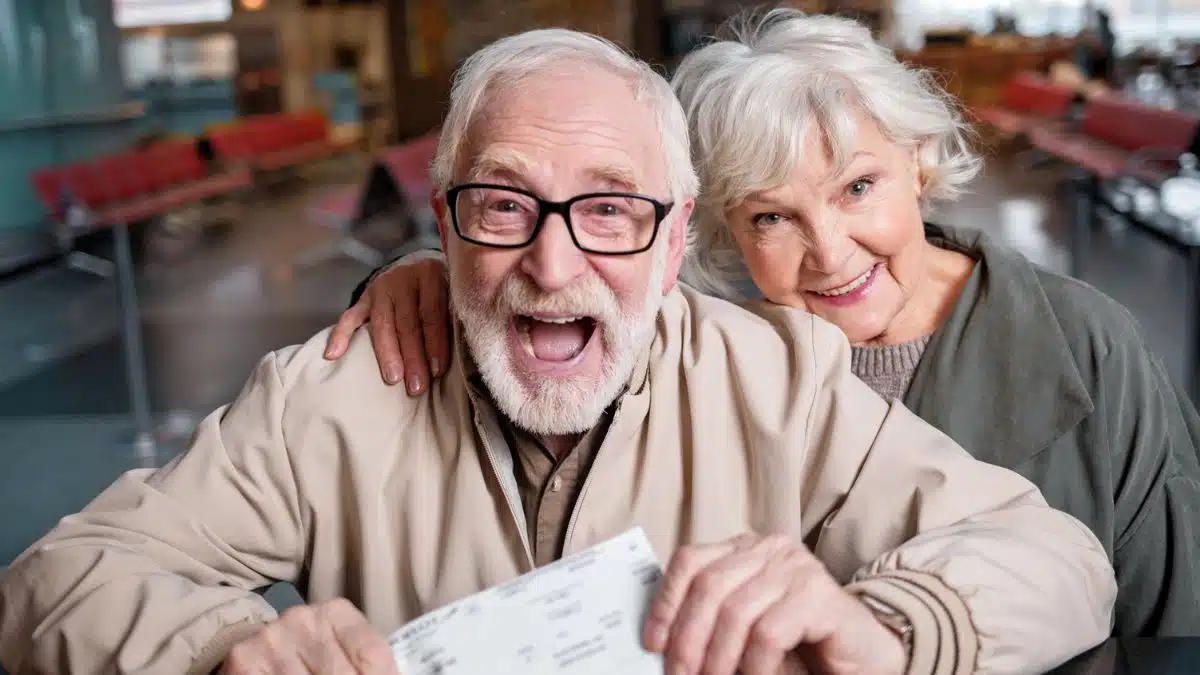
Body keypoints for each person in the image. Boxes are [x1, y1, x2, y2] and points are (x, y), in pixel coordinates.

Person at [0, 27, 1115, 675]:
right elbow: (51, 583)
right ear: (442, 224)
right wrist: (220, 651)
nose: (552, 262)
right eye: (502, 205)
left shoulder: (778, 376)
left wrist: (879, 631)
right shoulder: (331, 396)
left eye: (611, 209)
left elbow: (1061, 561)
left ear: (678, 236)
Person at [327, 8, 1200, 638]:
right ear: (711, 233)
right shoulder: (706, 352)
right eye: (771, 218)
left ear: (920, 162)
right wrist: (430, 278)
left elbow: (1177, 620)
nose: (829, 252)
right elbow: (563, 282)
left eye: (859, 188)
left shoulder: (1090, 345)